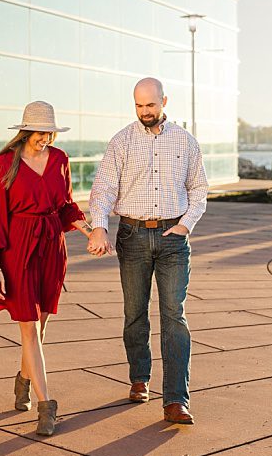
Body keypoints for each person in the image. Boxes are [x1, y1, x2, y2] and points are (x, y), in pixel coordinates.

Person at [87, 77, 208, 425]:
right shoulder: (121, 142)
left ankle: (175, 400)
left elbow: (199, 188)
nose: (145, 112)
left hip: (173, 239)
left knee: (175, 316)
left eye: (151, 105)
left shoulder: (185, 142)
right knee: (135, 313)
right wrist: (99, 224)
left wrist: (186, 224)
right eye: (139, 106)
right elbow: (105, 188)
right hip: (133, 236)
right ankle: (139, 378)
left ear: (164, 101)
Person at [0, 101, 92, 437]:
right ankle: (47, 406)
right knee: (28, 327)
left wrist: (90, 232)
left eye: (50, 132)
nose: (46, 138)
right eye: (41, 132)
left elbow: (67, 205)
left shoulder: (59, 159)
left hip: (52, 247)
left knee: (39, 329)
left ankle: (24, 378)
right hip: (17, 249)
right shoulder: (5, 163)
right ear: (26, 131)